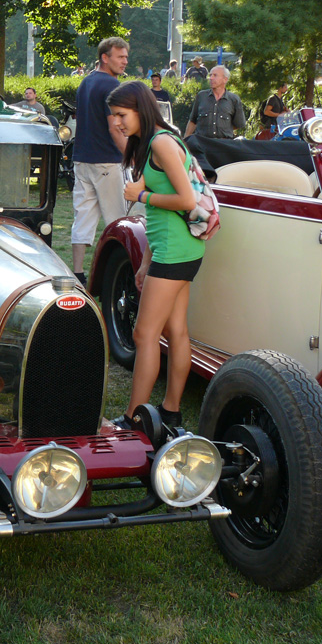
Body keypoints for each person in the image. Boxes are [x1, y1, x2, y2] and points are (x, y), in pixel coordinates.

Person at [108, 81, 204, 430]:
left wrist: (141, 195)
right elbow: (160, 216)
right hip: (175, 248)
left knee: (144, 335)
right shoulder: (154, 142)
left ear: (140, 109)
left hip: (175, 251)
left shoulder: (162, 143)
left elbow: (186, 201)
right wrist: (146, 262)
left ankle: (134, 418)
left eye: (122, 114)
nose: (117, 122)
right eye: (113, 115)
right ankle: (171, 412)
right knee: (176, 331)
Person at [70, 36, 130, 284]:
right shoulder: (111, 85)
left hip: (82, 159)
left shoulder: (86, 81)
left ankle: (77, 273)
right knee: (119, 220)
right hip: (106, 160)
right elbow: (114, 128)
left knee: (82, 218)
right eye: (120, 57)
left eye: (126, 57)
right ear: (105, 57)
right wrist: (131, 156)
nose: (125, 61)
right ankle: (119, 273)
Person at [184, 65, 246, 140]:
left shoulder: (234, 99)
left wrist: (223, 129)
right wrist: (185, 140)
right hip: (202, 143)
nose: (211, 78)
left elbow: (239, 124)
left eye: (215, 75)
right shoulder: (201, 96)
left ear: (225, 79)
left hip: (224, 144)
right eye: (210, 75)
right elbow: (193, 121)